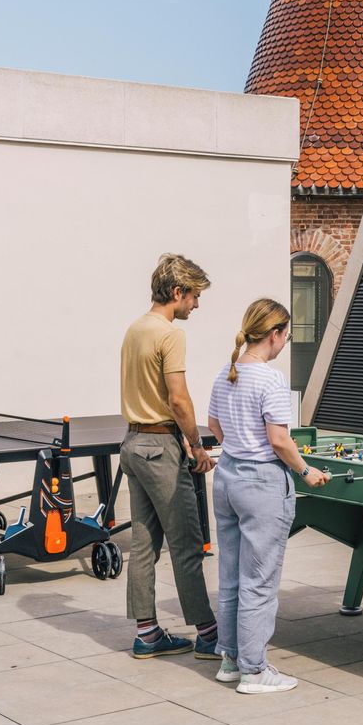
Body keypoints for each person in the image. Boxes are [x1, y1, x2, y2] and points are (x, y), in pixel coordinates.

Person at [207, 298, 331, 693]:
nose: (285, 343)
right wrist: (306, 471)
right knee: (259, 581)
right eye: (287, 336)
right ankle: (254, 670)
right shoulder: (271, 379)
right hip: (261, 484)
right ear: (275, 334)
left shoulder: (225, 374)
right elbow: (279, 440)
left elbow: (214, 425)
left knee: (231, 576)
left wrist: (239, 446)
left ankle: (230, 660)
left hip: (227, 478)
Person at [120, 253, 220, 660]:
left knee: (143, 544)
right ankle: (209, 635)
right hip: (161, 446)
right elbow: (178, 399)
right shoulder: (170, 334)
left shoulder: (135, 328)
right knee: (187, 544)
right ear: (178, 292)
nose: (196, 304)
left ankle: (147, 634)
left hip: (132, 443)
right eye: (194, 296)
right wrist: (196, 445)